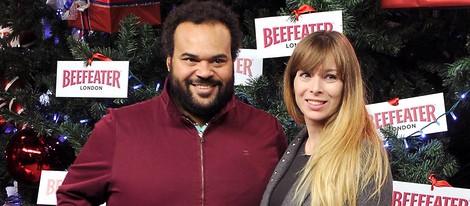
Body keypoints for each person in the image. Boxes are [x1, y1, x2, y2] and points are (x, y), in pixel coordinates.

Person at [56, 1, 287, 205]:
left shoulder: (267, 130)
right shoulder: (118, 127)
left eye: (218, 60)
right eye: (190, 59)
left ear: (232, 62)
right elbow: (73, 198)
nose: (204, 72)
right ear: (169, 62)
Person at [260, 31, 393, 206]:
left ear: (348, 86)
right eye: (306, 75)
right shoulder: (299, 144)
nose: (315, 88)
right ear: (292, 81)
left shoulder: (365, 160)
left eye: (330, 77)